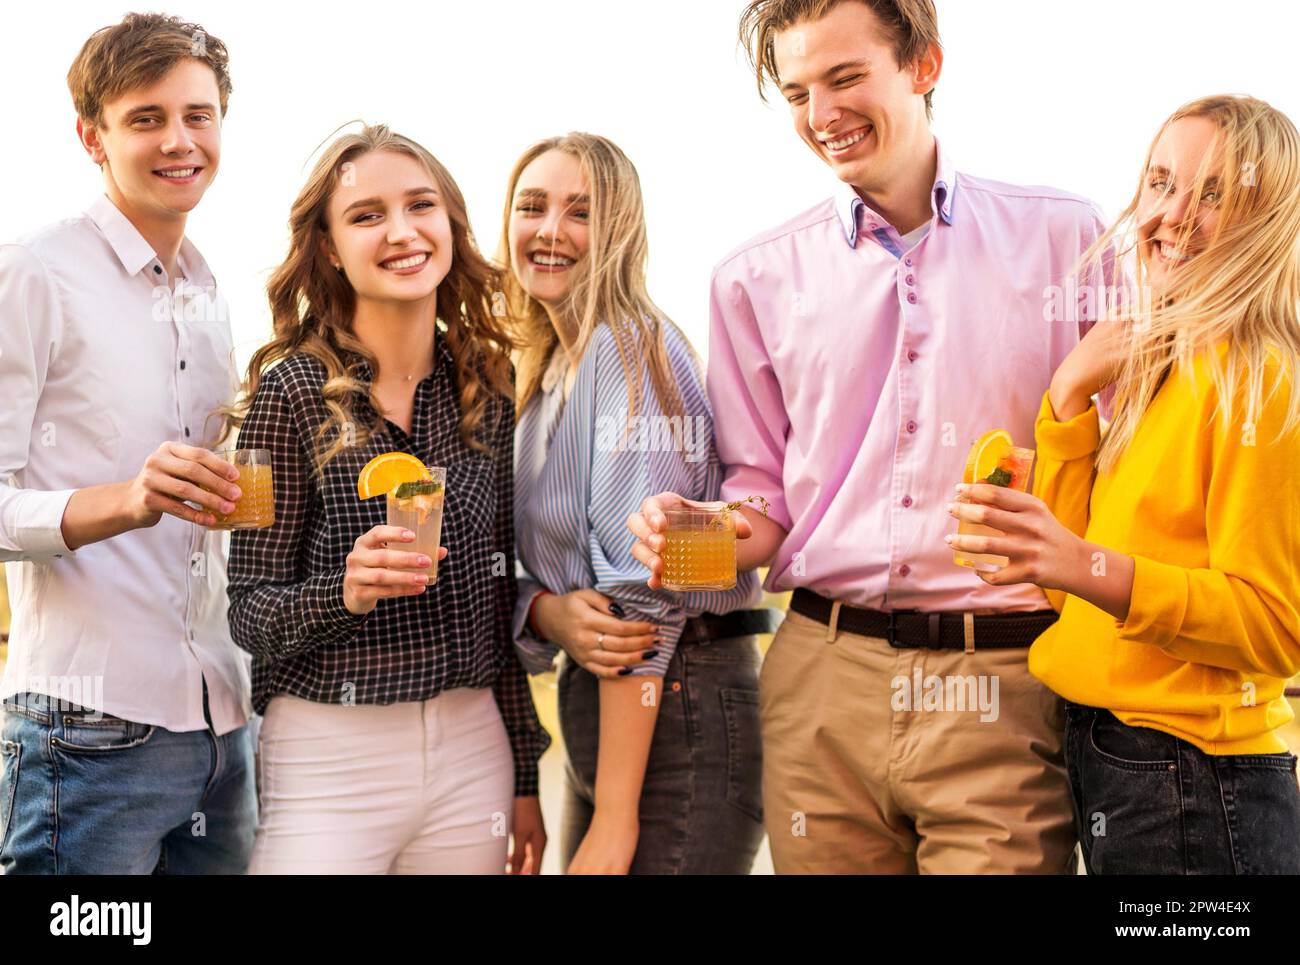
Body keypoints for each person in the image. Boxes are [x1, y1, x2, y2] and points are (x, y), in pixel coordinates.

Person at [629, 0, 1112, 873]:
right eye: (799, 91)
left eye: (846, 78)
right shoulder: (752, 279)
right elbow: (765, 507)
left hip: (1001, 682)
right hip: (819, 681)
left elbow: (1121, 468)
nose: (822, 116)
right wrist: (684, 542)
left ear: (924, 64)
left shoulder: (1069, 239)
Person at [948, 94, 1300, 874]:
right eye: (1161, 182)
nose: (1174, 214)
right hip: (1120, 757)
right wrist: (1071, 393)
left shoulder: (1260, 380)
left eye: (1215, 192)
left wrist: (1079, 562)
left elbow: (1277, 625)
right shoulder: (1166, 366)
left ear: (1265, 217)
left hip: (1199, 778)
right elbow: (1074, 589)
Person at [223, 124, 549, 874]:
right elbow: (246, 609)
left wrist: (525, 771)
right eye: (367, 215)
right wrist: (344, 592)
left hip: (474, 755)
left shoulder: (489, 388)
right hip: (329, 759)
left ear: (450, 224)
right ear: (330, 247)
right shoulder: (285, 394)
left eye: (420, 205)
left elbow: (498, 598)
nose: (401, 232)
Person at [0, 13, 255, 874]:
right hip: (84, 735)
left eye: (199, 114)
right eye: (146, 118)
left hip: (222, 733)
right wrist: (130, 500)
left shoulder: (211, 287)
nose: (179, 140)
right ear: (91, 136)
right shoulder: (32, 271)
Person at [504, 133, 773, 874]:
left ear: (618, 229)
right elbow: (536, 571)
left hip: (676, 700)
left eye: (579, 211)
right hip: (601, 702)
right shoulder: (545, 368)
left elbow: (642, 598)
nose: (550, 230)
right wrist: (547, 611)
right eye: (532, 206)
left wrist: (617, 816)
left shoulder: (630, 350)